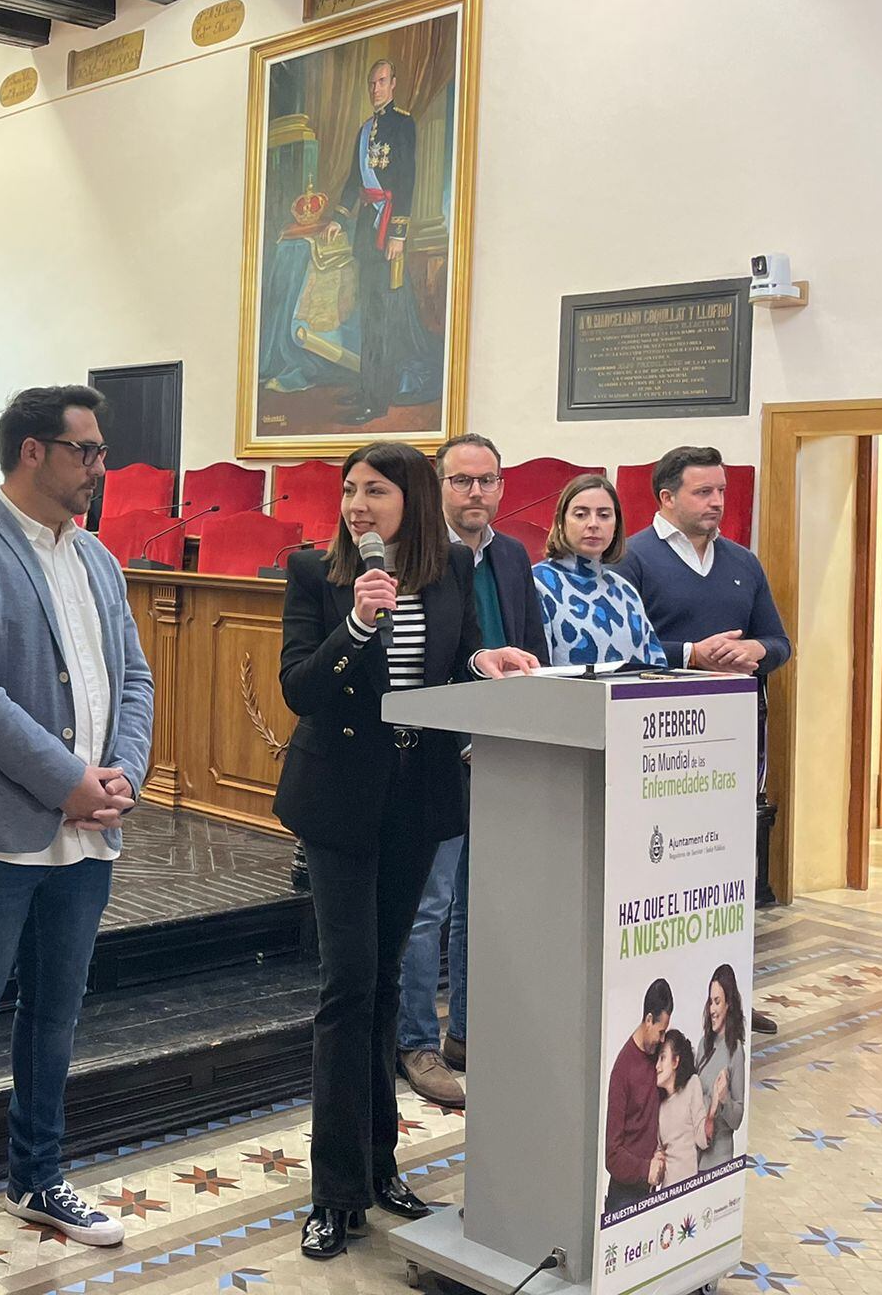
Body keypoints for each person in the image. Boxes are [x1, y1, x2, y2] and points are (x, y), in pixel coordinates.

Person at [0, 385, 155, 1295]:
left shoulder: (97, 559)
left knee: (55, 1018)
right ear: (31, 454)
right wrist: (67, 783)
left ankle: (38, 1179)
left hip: (88, 836)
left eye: (99, 451)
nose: (101, 467)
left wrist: (121, 771)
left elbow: (134, 676)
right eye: (86, 451)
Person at [276, 442, 539, 1260]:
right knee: (347, 987)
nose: (358, 506)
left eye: (376, 492)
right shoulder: (314, 573)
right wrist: (356, 623)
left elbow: (448, 658)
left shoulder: (452, 571)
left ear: (412, 501)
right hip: (340, 803)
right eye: (350, 491)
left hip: (416, 802)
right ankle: (334, 1191)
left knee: (387, 985)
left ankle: (379, 1164)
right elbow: (300, 688)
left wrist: (479, 660)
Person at [613, 446, 791, 1032]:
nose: (717, 501)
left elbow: (779, 641)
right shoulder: (631, 558)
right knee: (663, 884)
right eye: (702, 492)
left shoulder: (742, 560)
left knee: (724, 878)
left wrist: (755, 651)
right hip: (659, 750)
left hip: (731, 748)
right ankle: (657, 1004)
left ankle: (726, 990)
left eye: (720, 491)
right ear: (666, 497)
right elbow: (617, 652)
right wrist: (691, 654)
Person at [396, 434, 550, 1110]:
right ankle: (415, 1041)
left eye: (488, 481)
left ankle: (468, 1031)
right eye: (462, 481)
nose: (477, 494)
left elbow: (534, 643)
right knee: (428, 906)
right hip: (438, 751)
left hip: (502, 749)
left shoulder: (514, 555)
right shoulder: (421, 559)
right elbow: (425, 661)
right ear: (438, 487)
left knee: (483, 900)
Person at [335, 60, 417, 425]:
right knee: (367, 315)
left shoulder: (403, 123)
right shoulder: (364, 129)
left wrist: (399, 232)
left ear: (394, 84)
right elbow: (355, 179)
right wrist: (338, 218)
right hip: (366, 232)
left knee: (383, 316)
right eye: (371, 83)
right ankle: (366, 387)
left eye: (382, 82)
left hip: (388, 230)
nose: (376, 89)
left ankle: (378, 398)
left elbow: (407, 178)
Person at [532, 475, 669, 668]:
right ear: (561, 522)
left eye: (604, 515)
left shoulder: (626, 591)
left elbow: (656, 669)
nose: (593, 524)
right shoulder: (536, 585)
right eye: (581, 514)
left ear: (616, 526)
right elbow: (535, 675)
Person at [605, 979, 674, 1216]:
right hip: (624, 1200)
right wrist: (646, 1169)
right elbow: (612, 1156)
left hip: (648, 1193)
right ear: (647, 1020)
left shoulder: (657, 1058)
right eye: (660, 1032)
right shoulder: (622, 1072)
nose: (662, 1040)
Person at [695, 964, 747, 1171]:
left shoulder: (735, 1051)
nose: (713, 1010)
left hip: (719, 1160)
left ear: (729, 1005)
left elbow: (737, 1119)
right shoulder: (703, 1045)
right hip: (696, 1157)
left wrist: (724, 1099)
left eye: (717, 1002)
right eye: (710, 1003)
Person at [652, 1029, 706, 1189]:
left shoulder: (692, 1085)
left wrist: (716, 1104)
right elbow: (659, 1149)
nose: (657, 1066)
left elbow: (702, 1139)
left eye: (662, 1058)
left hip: (689, 1191)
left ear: (676, 1061)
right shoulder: (659, 1105)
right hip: (666, 1192)